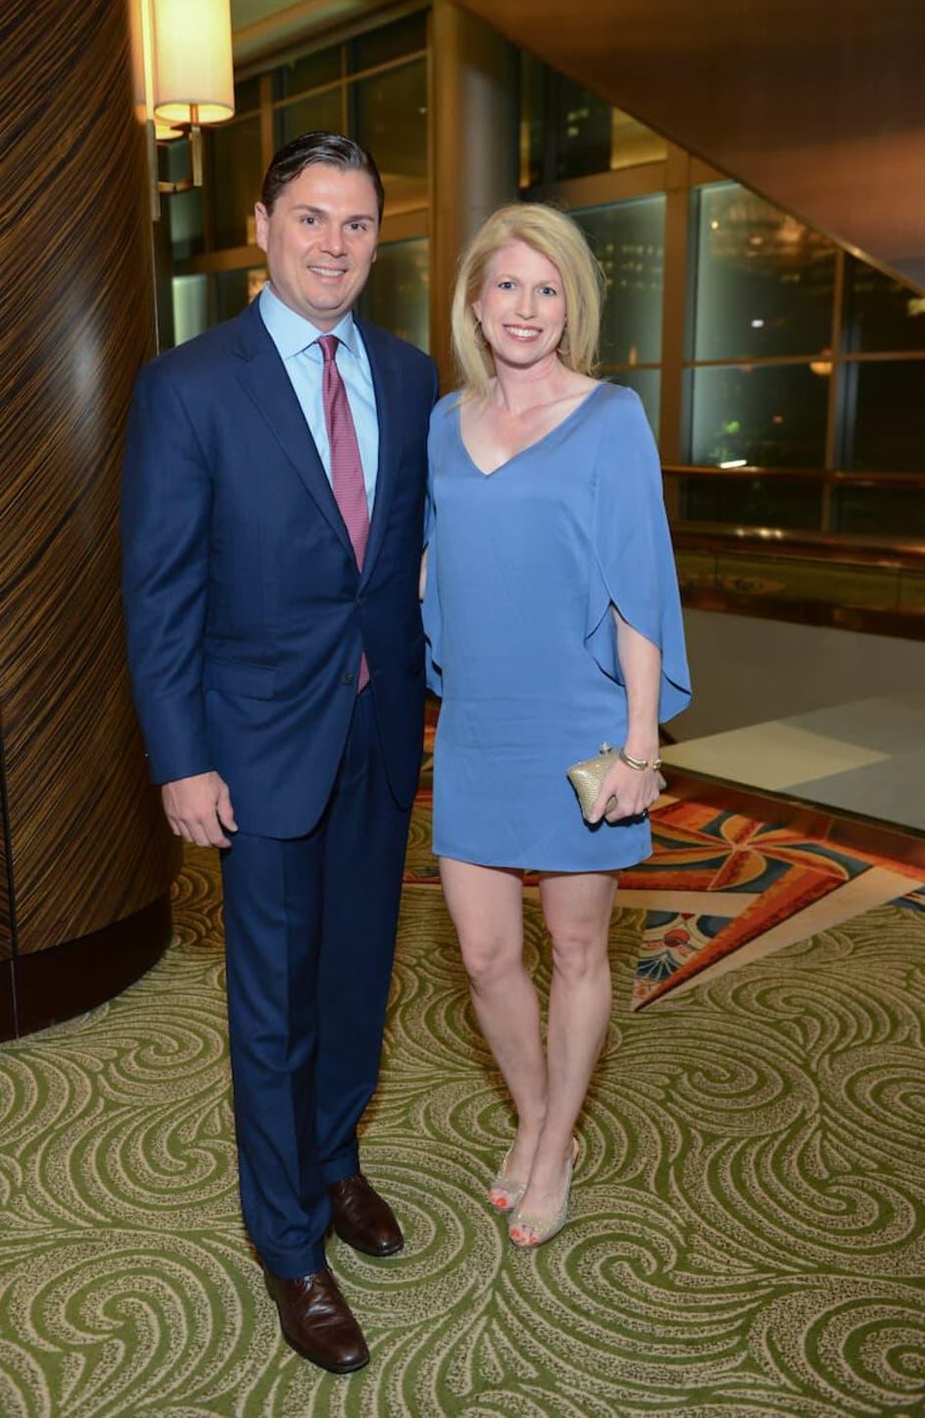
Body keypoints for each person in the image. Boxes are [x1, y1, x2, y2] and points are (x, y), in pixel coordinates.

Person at [122, 132, 439, 1374]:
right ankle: (288, 1243)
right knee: (271, 1005)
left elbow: (406, 563)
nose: (334, 244)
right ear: (262, 224)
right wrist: (179, 758)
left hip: (375, 729)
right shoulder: (188, 385)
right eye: (311, 218)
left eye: (357, 225)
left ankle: (333, 1159)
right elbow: (157, 593)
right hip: (251, 748)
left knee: (360, 978)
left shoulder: (410, 380)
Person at [422, 203, 690, 1249]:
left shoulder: (609, 416)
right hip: (479, 724)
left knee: (576, 950)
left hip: (579, 724)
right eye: (507, 287)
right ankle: (539, 1119)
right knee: (486, 955)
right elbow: (427, 565)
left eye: (547, 288)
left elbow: (639, 588)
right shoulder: (444, 422)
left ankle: (552, 1136)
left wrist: (638, 745)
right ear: (475, 302)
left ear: (568, 303)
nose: (524, 308)